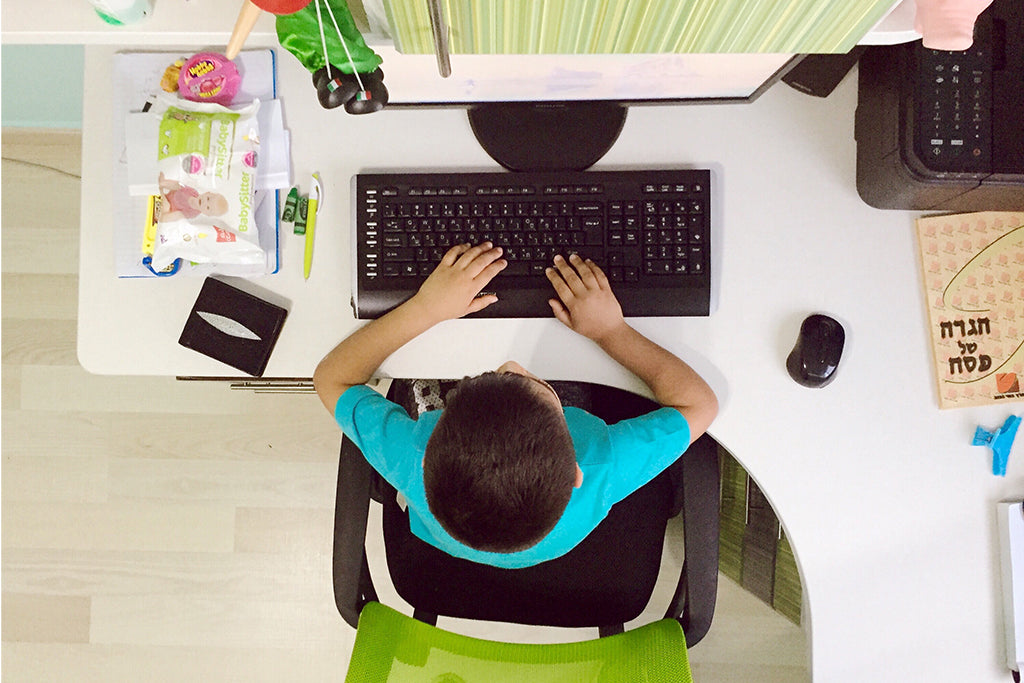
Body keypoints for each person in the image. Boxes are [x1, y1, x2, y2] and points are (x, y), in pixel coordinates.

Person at [313, 242, 718, 568]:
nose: (512, 363)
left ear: (429, 446)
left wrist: (425, 308)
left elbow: (332, 377)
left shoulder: (414, 457)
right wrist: (612, 332)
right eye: (526, 381)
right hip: (549, 538)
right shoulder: (599, 463)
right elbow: (700, 404)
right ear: (575, 472)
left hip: (454, 535)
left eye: (489, 377)